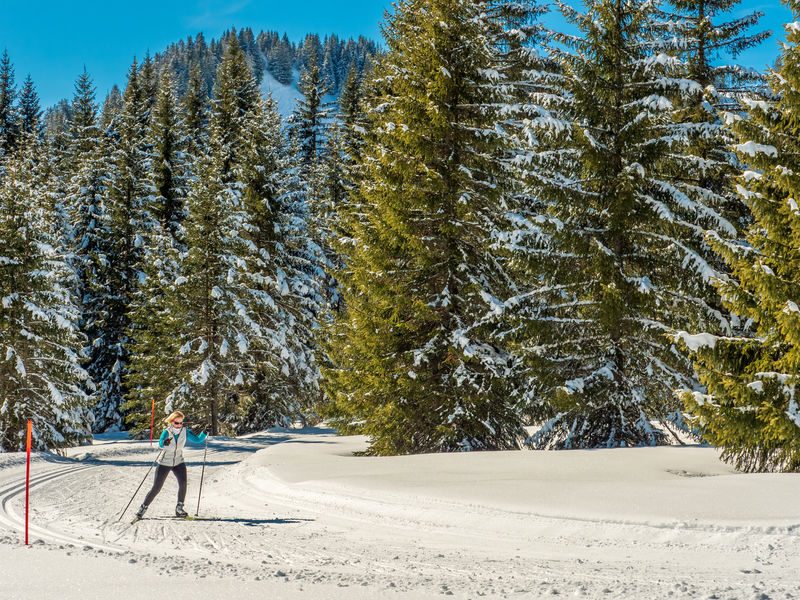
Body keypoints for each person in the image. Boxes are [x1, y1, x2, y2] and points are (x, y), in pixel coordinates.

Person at [135, 410, 207, 519]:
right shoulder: (167, 432)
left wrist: (205, 432)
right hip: (164, 462)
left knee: (183, 484)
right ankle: (143, 508)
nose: (179, 425)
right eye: (176, 423)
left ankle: (179, 508)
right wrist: (164, 443)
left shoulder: (185, 431)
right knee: (157, 487)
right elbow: (160, 444)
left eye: (181, 423)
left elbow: (197, 440)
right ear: (171, 421)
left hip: (179, 461)